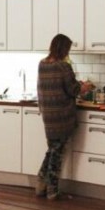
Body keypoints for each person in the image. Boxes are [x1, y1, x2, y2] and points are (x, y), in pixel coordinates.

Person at [36, 34, 82, 200]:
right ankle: (52, 191)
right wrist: (85, 86)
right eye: (68, 49)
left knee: (52, 151)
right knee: (57, 154)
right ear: (63, 49)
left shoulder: (42, 64)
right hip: (62, 116)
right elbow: (73, 90)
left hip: (48, 115)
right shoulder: (63, 66)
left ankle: (41, 185)